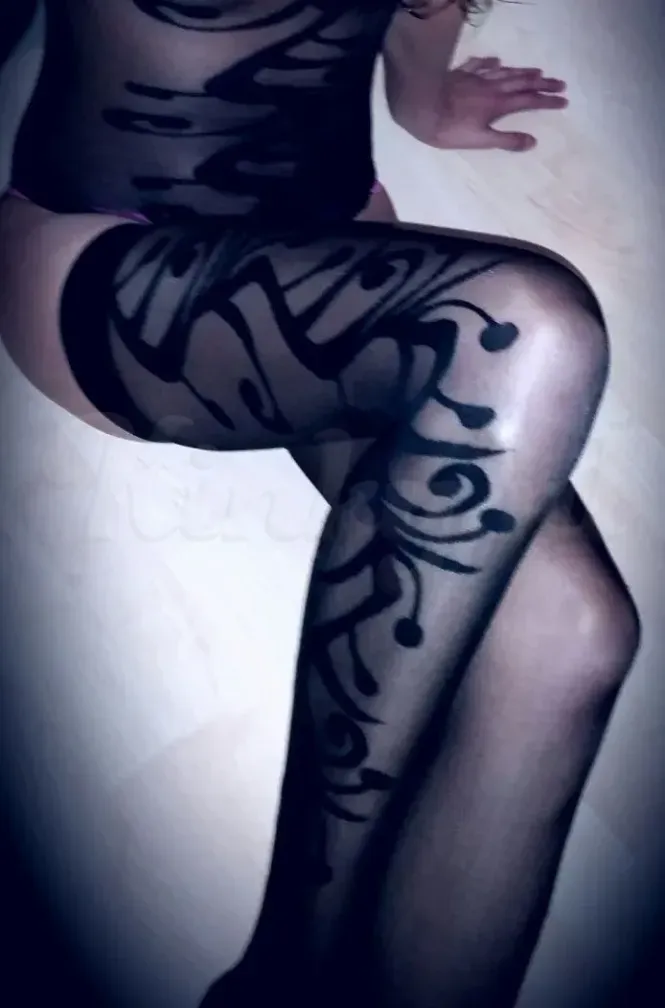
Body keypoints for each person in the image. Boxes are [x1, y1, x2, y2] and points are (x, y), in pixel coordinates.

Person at [0, 3, 640, 1007]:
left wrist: (425, 99)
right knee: (522, 333)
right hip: (112, 258)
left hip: (337, 247)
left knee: (574, 632)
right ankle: (286, 970)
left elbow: (414, 32)